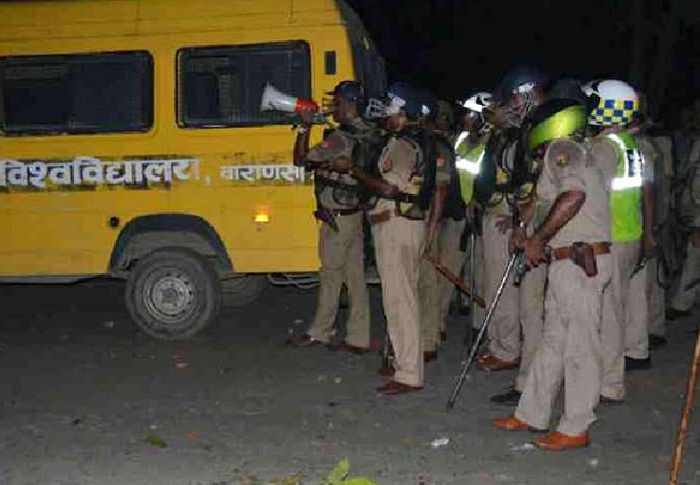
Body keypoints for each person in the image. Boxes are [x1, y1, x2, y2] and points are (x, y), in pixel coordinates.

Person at [492, 97, 613, 451]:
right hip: (566, 263)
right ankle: (532, 413)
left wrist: (537, 239)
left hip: (581, 262)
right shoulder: (555, 157)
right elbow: (542, 200)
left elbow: (573, 196)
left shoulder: (563, 149)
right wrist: (522, 227)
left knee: (579, 346)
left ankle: (576, 427)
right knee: (553, 343)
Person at [472, 65, 547, 406]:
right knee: (522, 301)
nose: (503, 109)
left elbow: (534, 183)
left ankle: (526, 375)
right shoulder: (516, 132)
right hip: (519, 219)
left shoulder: (541, 130)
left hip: (529, 224)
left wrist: (518, 218)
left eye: (508, 101)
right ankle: (525, 374)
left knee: (531, 306)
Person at [357, 82, 436, 395]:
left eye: (392, 105)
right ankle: (406, 363)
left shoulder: (403, 145)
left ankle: (408, 373)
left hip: (396, 226)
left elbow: (389, 188)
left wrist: (353, 170)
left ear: (406, 113)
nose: (386, 111)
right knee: (403, 299)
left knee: (399, 301)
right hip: (401, 225)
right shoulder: (410, 141)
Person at [286, 80, 371, 353]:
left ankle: (320, 331)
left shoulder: (339, 139)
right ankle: (359, 336)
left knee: (331, 275)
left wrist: (304, 126)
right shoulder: (368, 131)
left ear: (348, 105)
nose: (333, 106)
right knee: (356, 278)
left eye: (337, 102)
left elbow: (301, 160)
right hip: (355, 213)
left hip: (336, 217)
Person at [582, 80, 652, 405]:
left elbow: (592, 195)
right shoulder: (631, 144)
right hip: (628, 234)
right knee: (617, 310)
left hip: (609, 237)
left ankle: (608, 383)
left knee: (607, 315)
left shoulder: (603, 148)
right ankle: (610, 378)